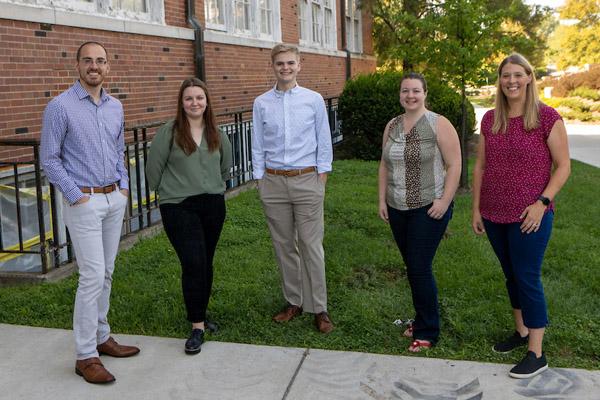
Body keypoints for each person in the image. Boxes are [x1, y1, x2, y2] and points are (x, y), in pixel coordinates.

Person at [40, 41, 140, 385]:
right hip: (83, 201)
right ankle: (85, 356)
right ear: (77, 66)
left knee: (107, 272)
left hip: (114, 199)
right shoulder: (60, 106)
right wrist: (75, 195)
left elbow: (118, 148)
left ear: (107, 67)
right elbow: (49, 159)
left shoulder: (115, 107)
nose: (94, 66)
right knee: (92, 275)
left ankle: (102, 335)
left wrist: (124, 186)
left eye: (100, 61)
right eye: (88, 61)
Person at [472, 53, 570, 379]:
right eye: (505, 76)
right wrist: (476, 208)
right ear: (500, 81)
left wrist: (542, 203)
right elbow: (482, 166)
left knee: (527, 277)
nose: (511, 81)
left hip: (531, 214)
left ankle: (537, 353)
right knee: (511, 275)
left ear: (529, 77)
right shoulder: (490, 119)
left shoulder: (546, 117)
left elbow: (564, 166)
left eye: (517, 75)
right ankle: (522, 332)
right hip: (494, 212)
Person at [146, 78, 232, 355]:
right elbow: (152, 174)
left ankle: (202, 315)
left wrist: (211, 190)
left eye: (199, 98)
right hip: (179, 206)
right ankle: (197, 327)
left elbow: (225, 168)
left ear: (207, 101)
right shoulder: (168, 132)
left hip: (212, 205)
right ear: (181, 103)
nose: (195, 103)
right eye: (189, 98)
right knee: (193, 262)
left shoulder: (217, 132)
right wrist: (175, 189)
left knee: (205, 262)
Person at [252, 43, 334, 333]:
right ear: (273, 66)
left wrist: (321, 176)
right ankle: (294, 301)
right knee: (284, 245)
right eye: (280, 64)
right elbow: (258, 143)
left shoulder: (313, 100)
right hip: (273, 182)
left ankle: (319, 307)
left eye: (290, 63)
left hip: (307, 180)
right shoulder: (262, 103)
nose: (285, 68)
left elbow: (323, 139)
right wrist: (260, 179)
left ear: (299, 65)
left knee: (311, 245)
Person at [378, 73, 461, 352]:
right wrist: (381, 200)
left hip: (428, 208)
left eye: (415, 91)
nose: (410, 96)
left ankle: (428, 331)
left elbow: (455, 165)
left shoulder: (439, 124)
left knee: (419, 267)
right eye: (405, 91)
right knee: (414, 268)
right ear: (400, 95)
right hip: (397, 206)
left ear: (425, 93)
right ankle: (421, 319)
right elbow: (384, 165)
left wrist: (444, 201)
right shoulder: (392, 125)